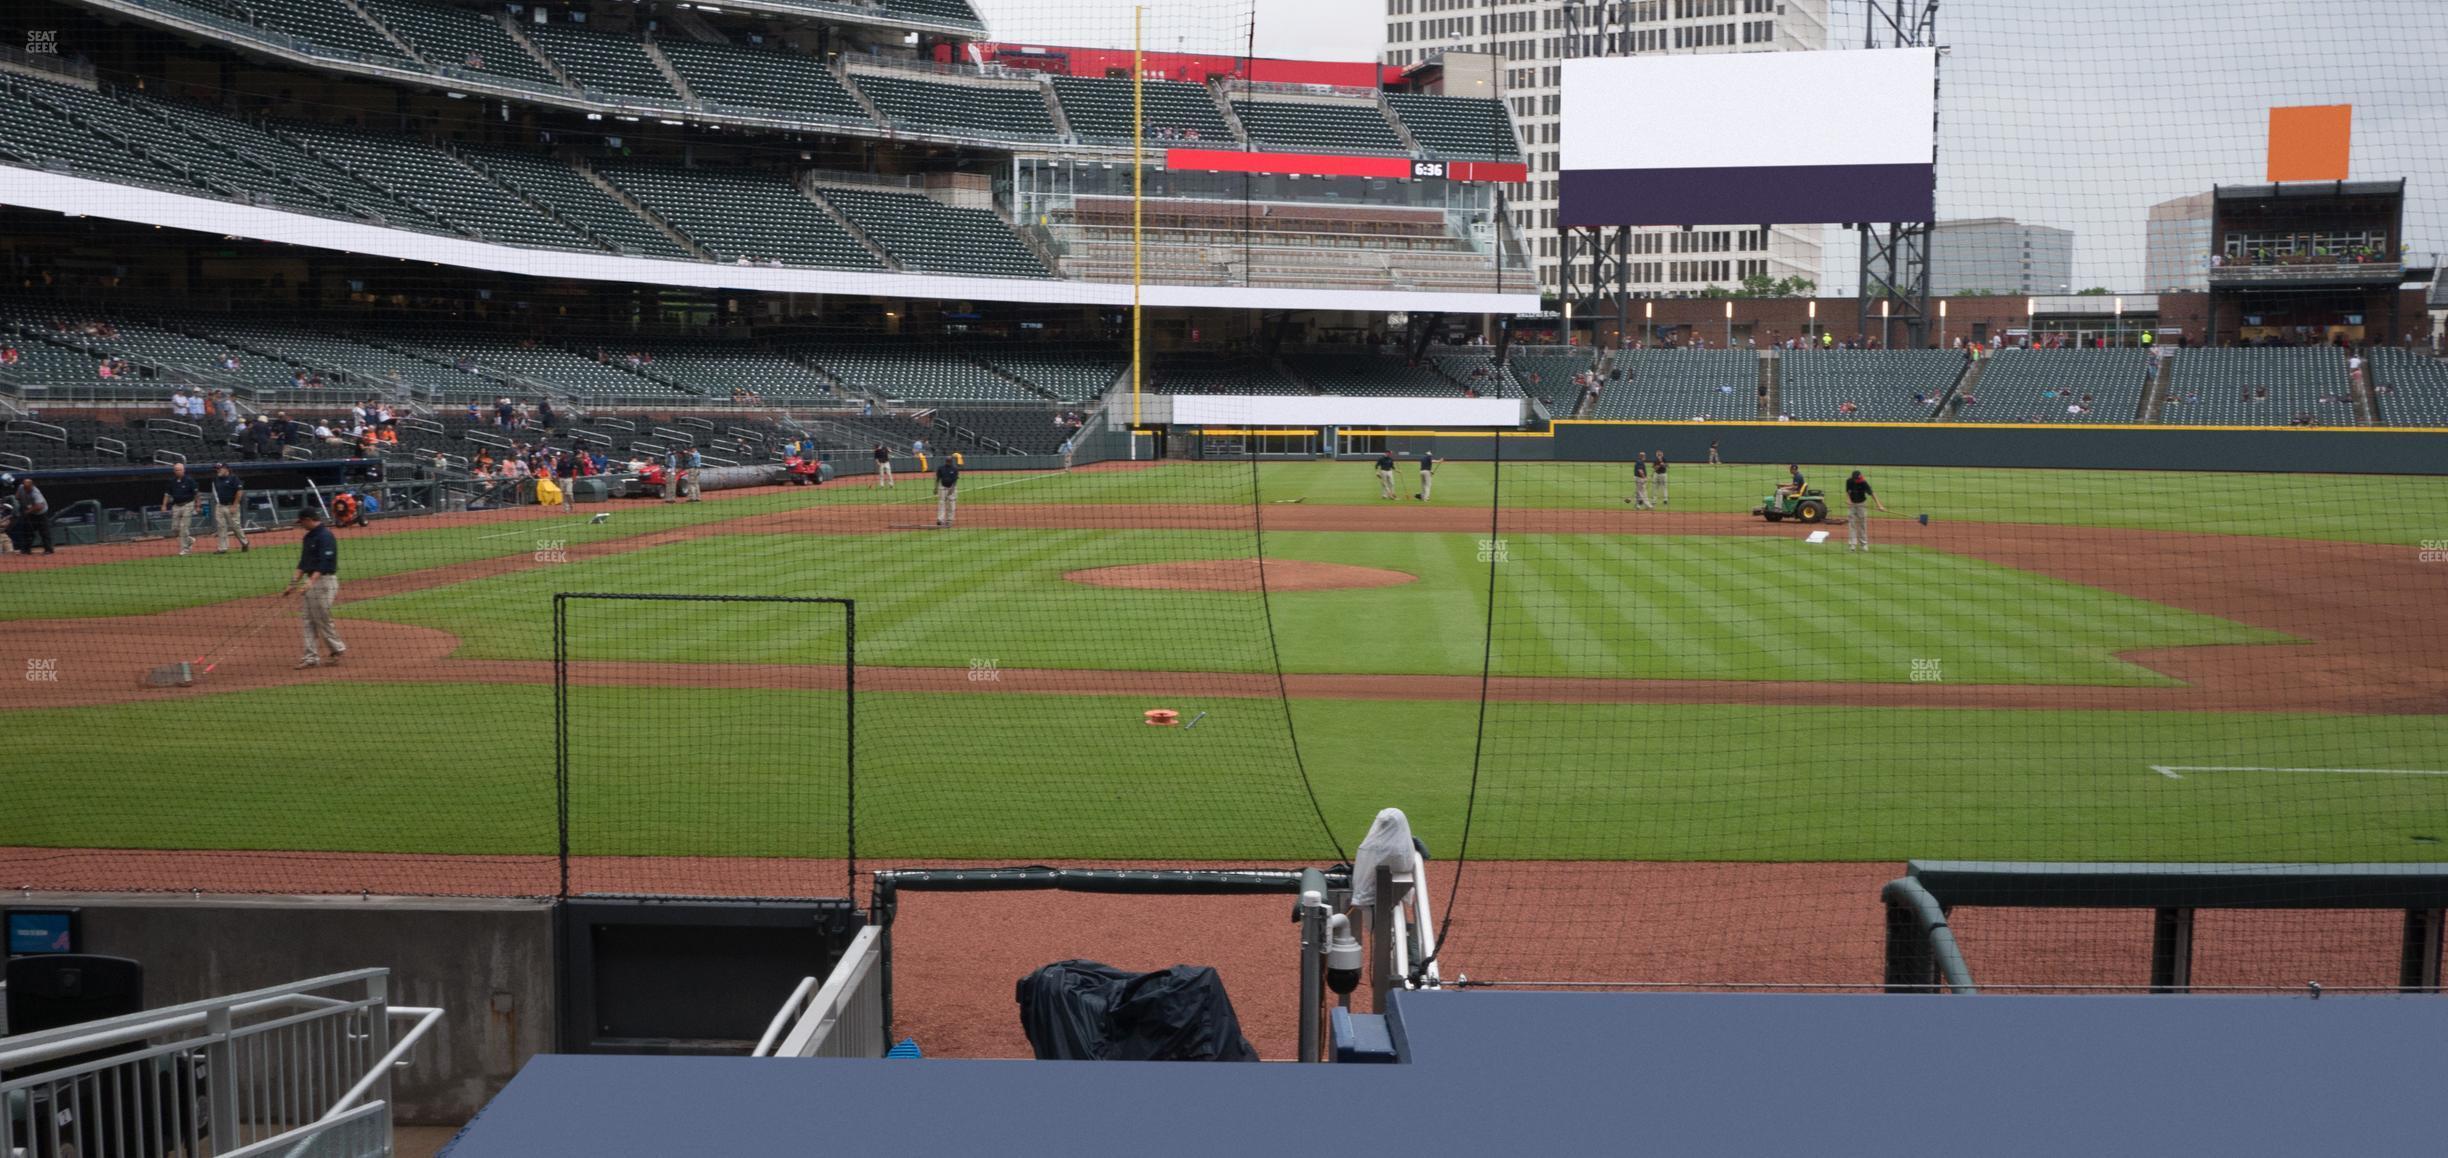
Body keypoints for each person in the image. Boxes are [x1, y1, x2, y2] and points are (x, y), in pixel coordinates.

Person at [286, 507, 345, 669]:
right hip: (311, 580)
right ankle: (310, 657)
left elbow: (325, 563)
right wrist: (292, 584)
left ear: (308, 519)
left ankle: (336, 649)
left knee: (321, 617)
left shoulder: (326, 536)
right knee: (308, 619)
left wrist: (310, 582)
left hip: (324, 581)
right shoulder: (308, 537)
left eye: (302, 522)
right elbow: (303, 563)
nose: (301, 525)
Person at [160, 461, 202, 556]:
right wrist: (164, 505)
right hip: (176, 506)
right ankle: (190, 540)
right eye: (176, 470)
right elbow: (167, 494)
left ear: (183, 470)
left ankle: (185, 549)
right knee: (175, 528)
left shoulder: (189, 480)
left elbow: (197, 494)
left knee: (183, 527)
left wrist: (198, 505)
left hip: (188, 504)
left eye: (179, 470)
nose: (177, 471)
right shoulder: (172, 481)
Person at [209, 463, 249, 553]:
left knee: (235, 526)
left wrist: (235, 505)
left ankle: (245, 543)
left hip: (231, 505)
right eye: (216, 469)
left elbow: (239, 492)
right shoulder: (216, 479)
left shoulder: (234, 478)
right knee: (221, 527)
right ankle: (222, 548)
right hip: (220, 506)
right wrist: (218, 504)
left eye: (220, 468)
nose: (217, 470)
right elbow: (215, 493)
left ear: (226, 469)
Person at [1843, 470, 1886, 552]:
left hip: (1861, 504)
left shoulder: (1863, 482)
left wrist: (1879, 505)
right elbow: (1848, 491)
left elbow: (1872, 493)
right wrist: (1848, 500)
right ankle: (1852, 544)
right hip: (1852, 505)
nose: (1858, 480)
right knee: (1851, 524)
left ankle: (1864, 544)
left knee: (1862, 524)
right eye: (1857, 479)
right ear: (1853, 478)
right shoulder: (1849, 481)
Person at [10, 474, 53, 554]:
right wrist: (23, 505)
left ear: (31, 486)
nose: (26, 489)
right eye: (25, 487)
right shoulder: (21, 488)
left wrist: (28, 511)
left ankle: (48, 550)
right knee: (27, 531)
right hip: (30, 512)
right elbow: (17, 497)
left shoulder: (35, 493)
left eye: (28, 488)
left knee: (44, 532)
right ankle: (26, 550)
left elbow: (39, 506)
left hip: (41, 514)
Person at [934, 453, 961, 527]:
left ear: (951, 461)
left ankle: (949, 520)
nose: (948, 461)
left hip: (952, 487)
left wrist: (952, 488)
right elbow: (938, 479)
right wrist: (936, 487)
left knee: (951, 505)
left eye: (949, 460)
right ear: (945, 461)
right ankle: (940, 519)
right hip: (942, 487)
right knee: (941, 503)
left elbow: (955, 480)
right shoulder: (941, 468)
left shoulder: (955, 469)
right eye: (947, 460)